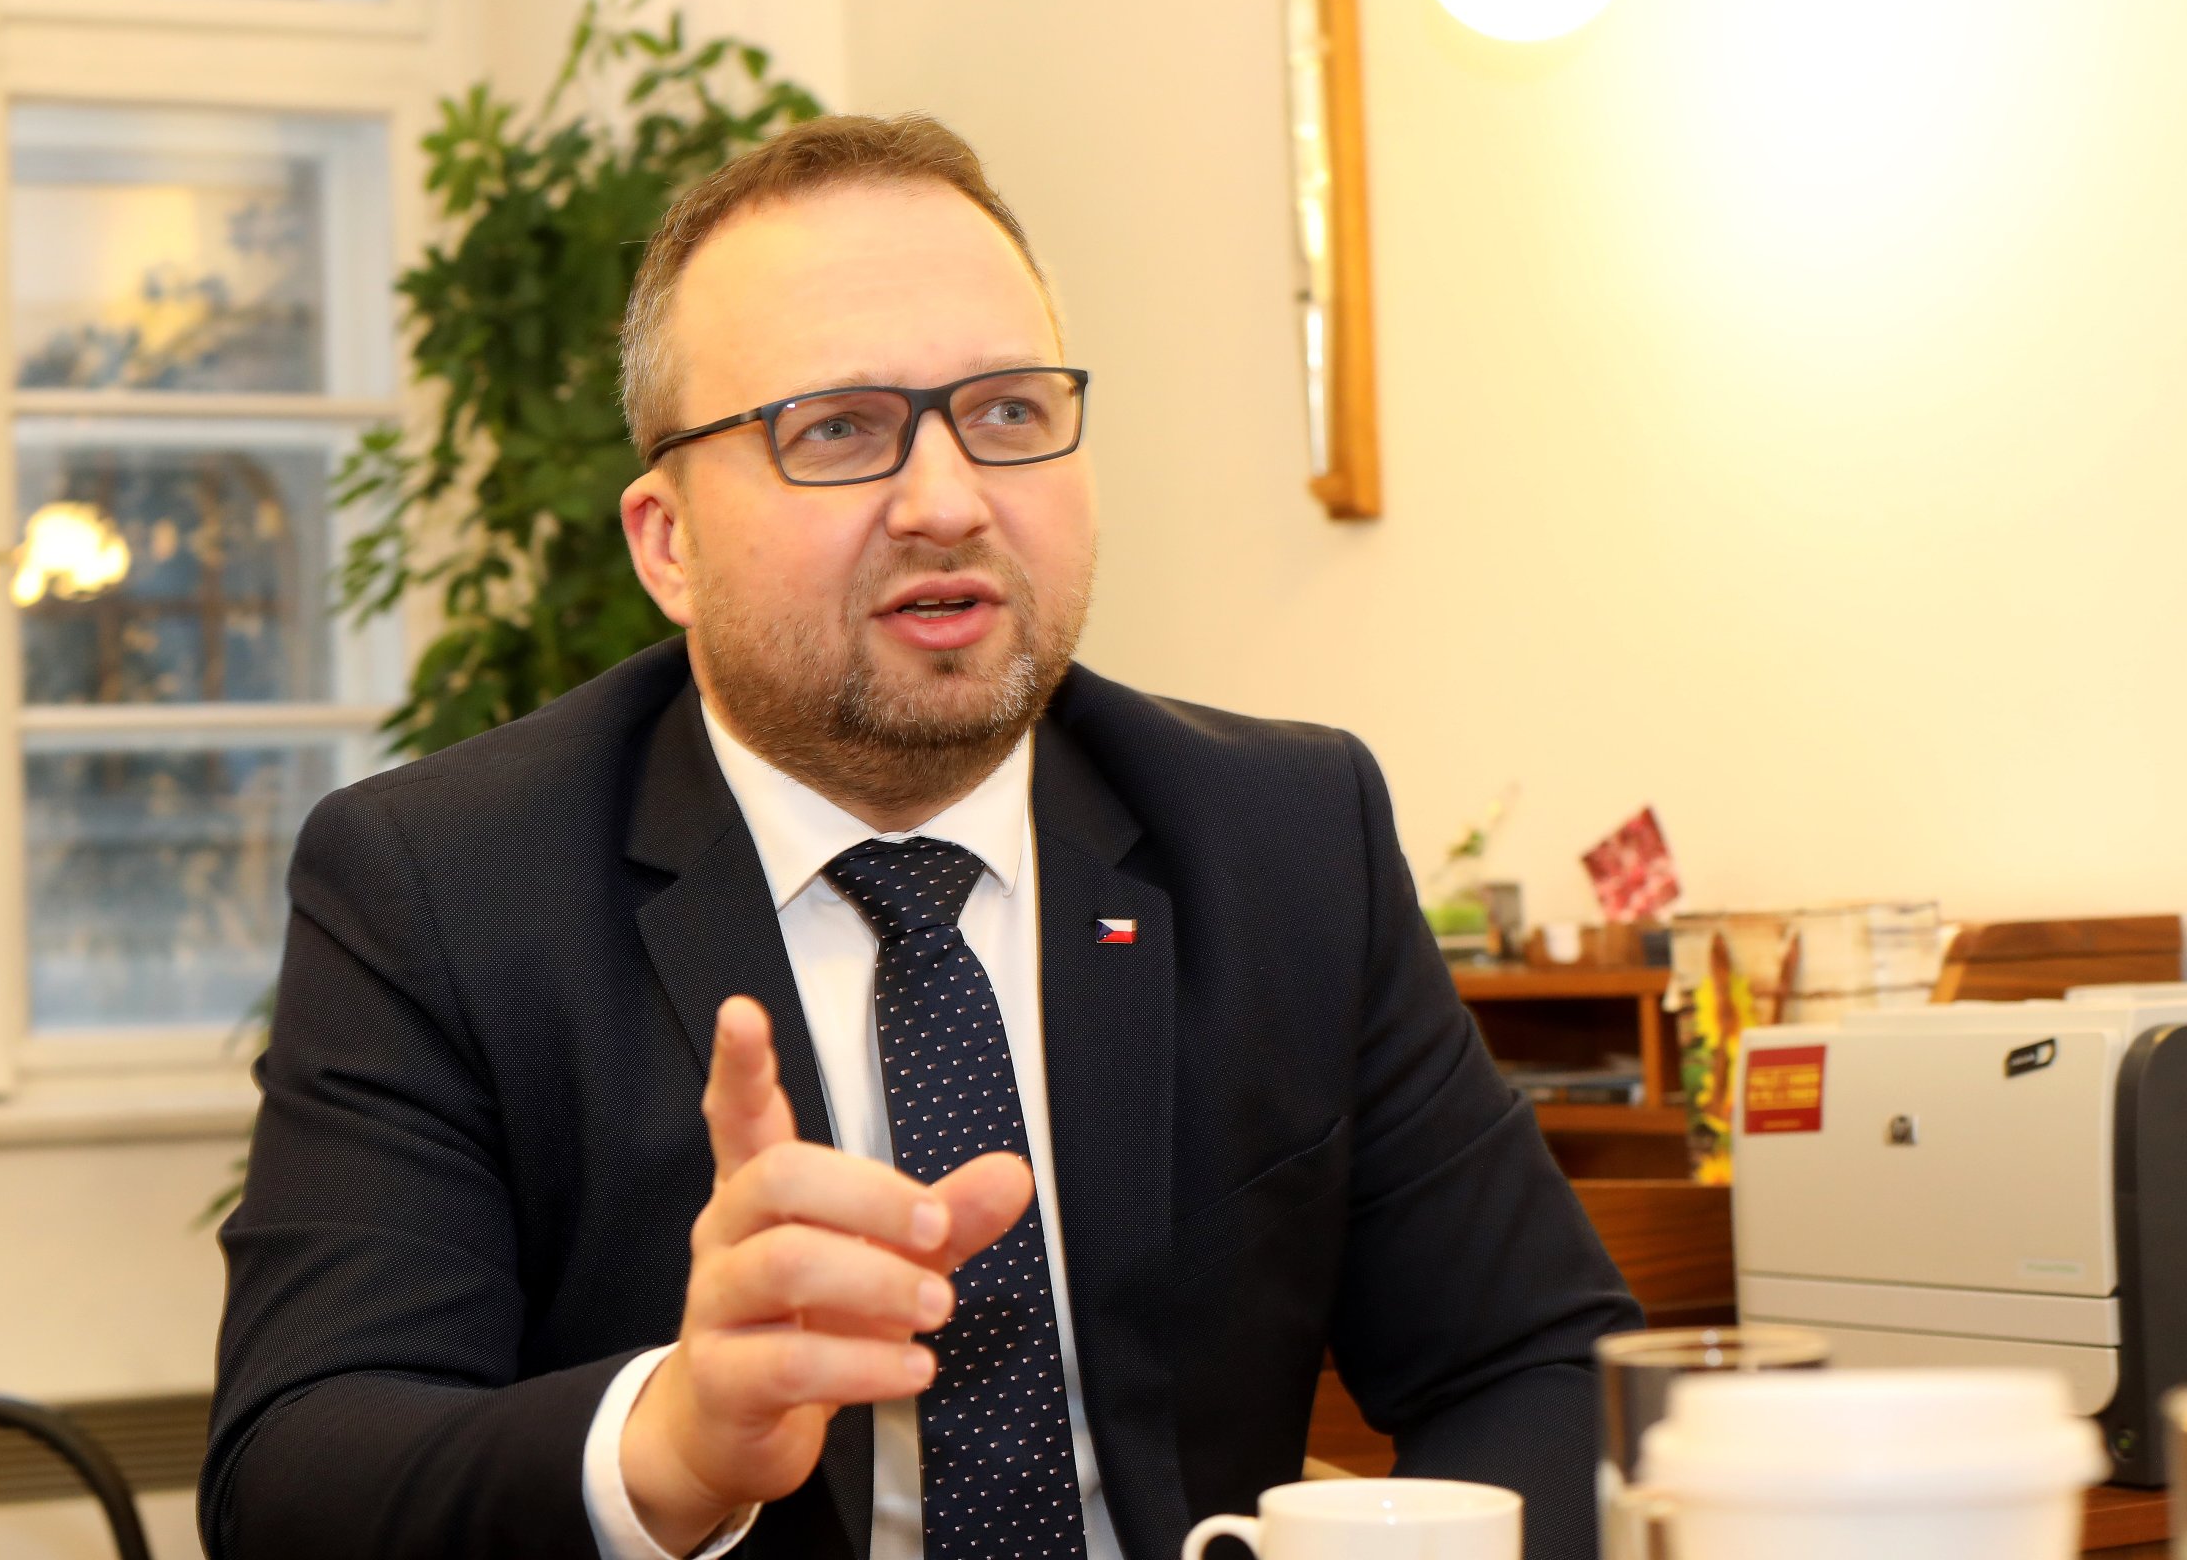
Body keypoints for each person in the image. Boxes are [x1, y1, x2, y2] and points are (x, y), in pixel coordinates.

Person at [199, 113, 1639, 1560]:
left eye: (1006, 413)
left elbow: (1542, 1368)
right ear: (667, 544)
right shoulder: (441, 885)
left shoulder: (1284, 837)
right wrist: (672, 1446)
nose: (948, 503)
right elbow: (296, 1473)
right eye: (837, 429)